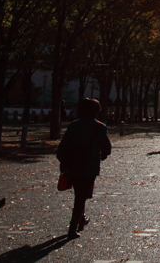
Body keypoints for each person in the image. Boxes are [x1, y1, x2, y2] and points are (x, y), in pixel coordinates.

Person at [56, 98, 112, 238]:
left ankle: (81, 220)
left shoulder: (73, 126)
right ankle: (72, 228)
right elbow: (107, 148)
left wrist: (65, 162)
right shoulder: (100, 127)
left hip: (73, 166)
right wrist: (101, 154)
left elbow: (61, 148)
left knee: (79, 195)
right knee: (80, 197)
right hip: (89, 167)